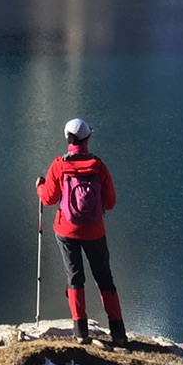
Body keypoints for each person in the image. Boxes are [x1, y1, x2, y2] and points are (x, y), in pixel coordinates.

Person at [36, 117, 127, 346]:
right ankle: (118, 333)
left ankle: (80, 332)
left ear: (68, 139)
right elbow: (111, 202)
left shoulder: (59, 166)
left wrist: (39, 186)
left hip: (66, 231)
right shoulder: (99, 166)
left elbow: (49, 199)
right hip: (95, 231)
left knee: (75, 278)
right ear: (87, 139)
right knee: (105, 279)